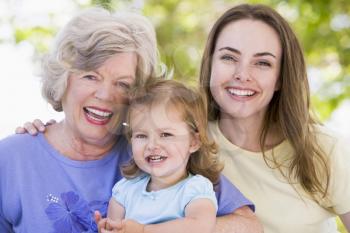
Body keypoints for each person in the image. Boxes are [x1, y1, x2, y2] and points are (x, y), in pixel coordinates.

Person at [1, 6, 262, 233]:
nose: (105, 95)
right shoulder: (13, 158)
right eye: (90, 76)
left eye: (123, 84)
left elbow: (250, 227)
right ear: (63, 80)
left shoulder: (158, 151)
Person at [199, 3, 350, 233]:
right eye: (229, 57)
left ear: (280, 78)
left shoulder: (325, 150)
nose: (242, 74)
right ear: (211, 65)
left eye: (262, 63)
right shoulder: (185, 142)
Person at [95, 78, 221, 233]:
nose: (152, 145)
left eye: (166, 134)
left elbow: (200, 227)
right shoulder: (125, 191)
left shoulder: (194, 189)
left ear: (193, 142)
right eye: (141, 135)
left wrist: (143, 230)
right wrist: (108, 229)